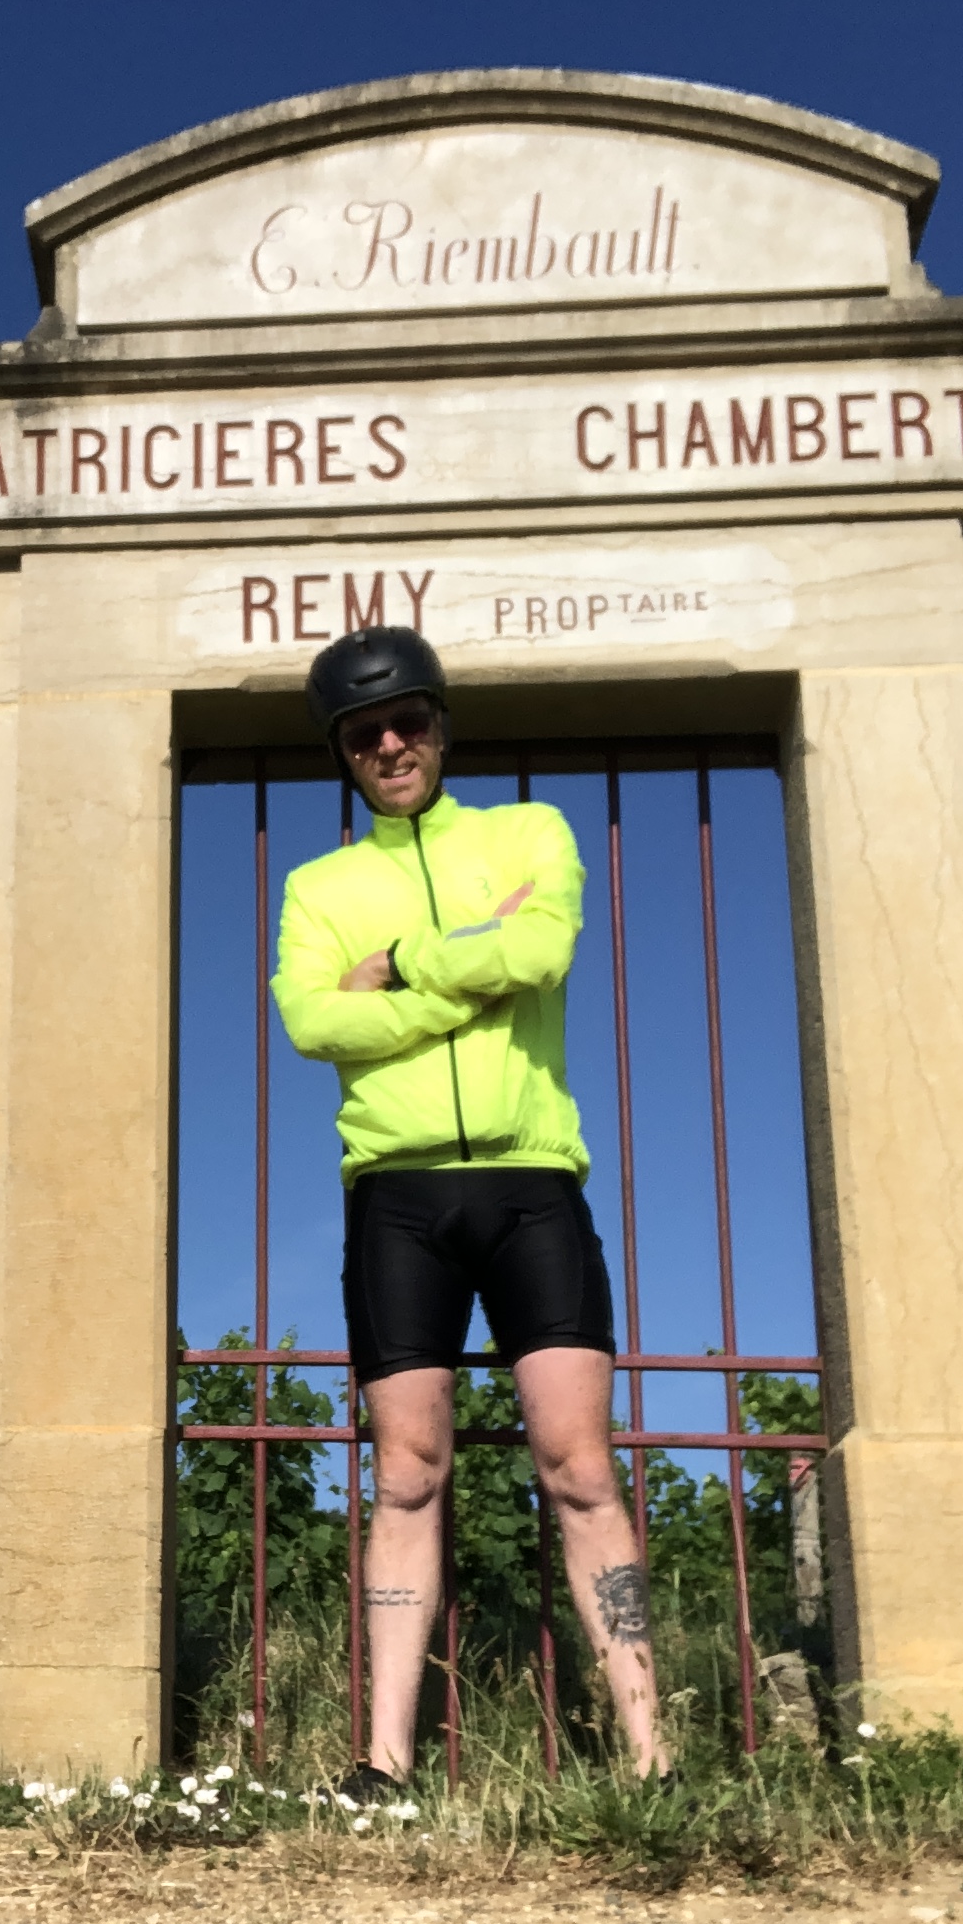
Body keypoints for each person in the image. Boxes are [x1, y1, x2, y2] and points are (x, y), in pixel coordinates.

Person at [269, 625, 667, 1793]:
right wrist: (461, 972)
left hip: (531, 1182)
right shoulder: (315, 886)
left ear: (441, 726)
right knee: (406, 1474)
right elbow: (311, 1021)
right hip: (395, 1199)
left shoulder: (529, 833)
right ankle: (384, 1765)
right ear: (342, 753)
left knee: (578, 1465)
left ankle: (652, 1757)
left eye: (409, 721)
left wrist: (393, 969)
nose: (390, 744)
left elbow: (539, 952)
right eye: (363, 734)